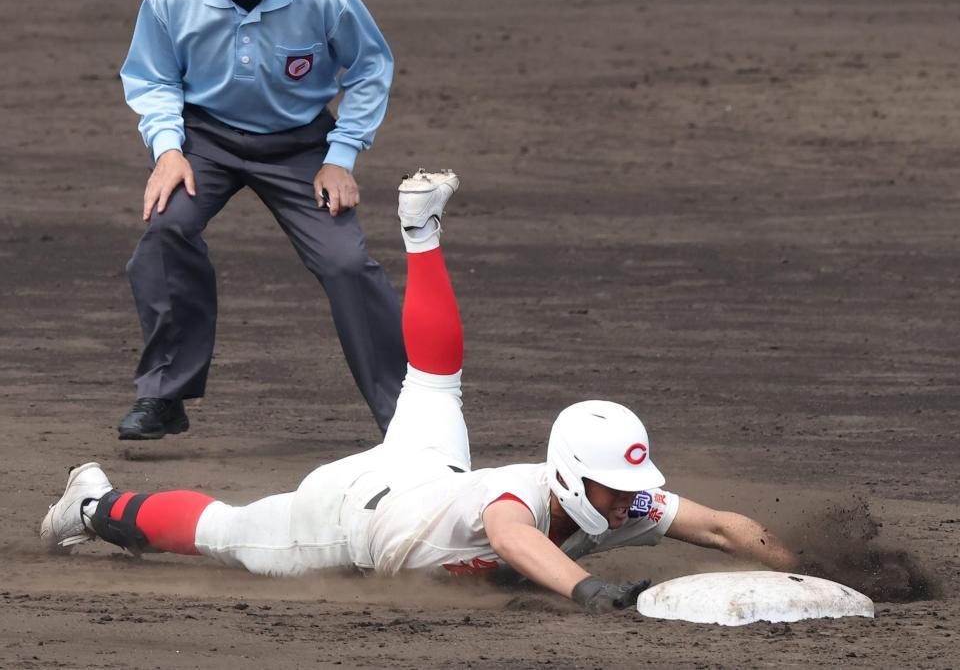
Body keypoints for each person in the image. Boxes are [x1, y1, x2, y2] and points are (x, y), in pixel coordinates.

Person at [43, 170, 798, 612]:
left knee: (437, 381)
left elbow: (727, 529)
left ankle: (421, 232)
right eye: (611, 487)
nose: (628, 499)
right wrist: (589, 591)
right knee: (225, 531)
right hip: (348, 515)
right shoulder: (516, 507)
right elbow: (511, 538)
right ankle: (89, 504)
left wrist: (809, 571)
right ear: (569, 477)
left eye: (631, 486)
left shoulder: (616, 500)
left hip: (428, 467)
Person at [115, 0, 405, 440]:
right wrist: (167, 149)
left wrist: (341, 155)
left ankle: (406, 417)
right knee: (167, 228)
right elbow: (153, 78)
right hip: (204, 137)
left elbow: (371, 67)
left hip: (301, 146)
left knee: (345, 262)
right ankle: (165, 394)